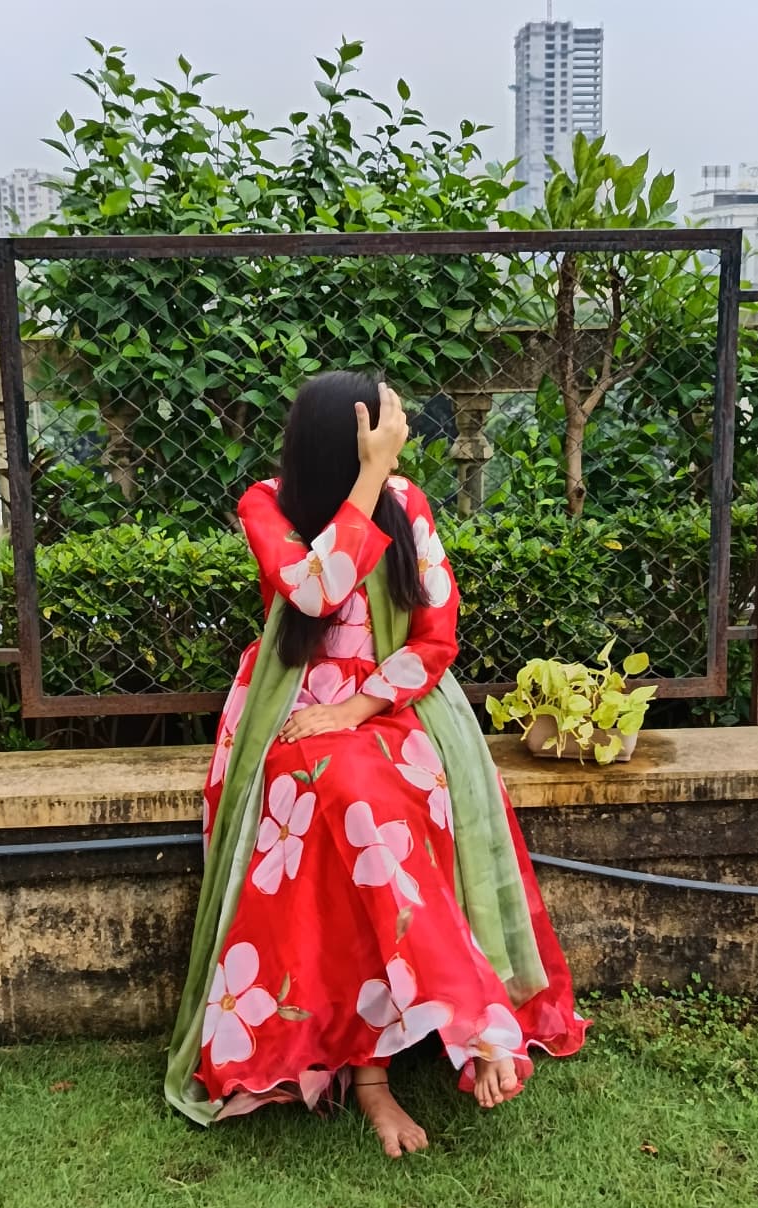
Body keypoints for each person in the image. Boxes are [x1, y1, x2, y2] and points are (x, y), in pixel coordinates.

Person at [166, 372, 589, 1158]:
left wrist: (361, 709)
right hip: (290, 708)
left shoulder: (411, 502)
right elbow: (314, 594)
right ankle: (426, 1042)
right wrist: (369, 480)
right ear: (346, 439)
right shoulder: (266, 504)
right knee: (341, 803)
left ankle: (422, 1044)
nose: (398, 432)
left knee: (373, 806)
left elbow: (436, 636)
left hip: (397, 705)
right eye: (385, 422)